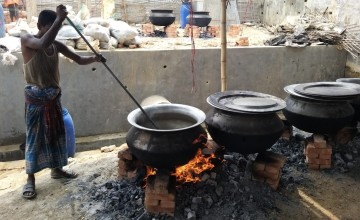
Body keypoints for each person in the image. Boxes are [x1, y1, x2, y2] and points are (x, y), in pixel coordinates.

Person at [20, 4, 105, 199]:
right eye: (49, 28)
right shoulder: (27, 40)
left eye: (55, 28)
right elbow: (41, 44)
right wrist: (59, 19)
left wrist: (95, 58)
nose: (53, 32)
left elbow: (77, 59)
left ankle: (57, 170)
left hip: (52, 96)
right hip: (36, 98)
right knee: (34, 139)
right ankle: (30, 179)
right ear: (41, 26)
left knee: (57, 135)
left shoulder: (56, 45)